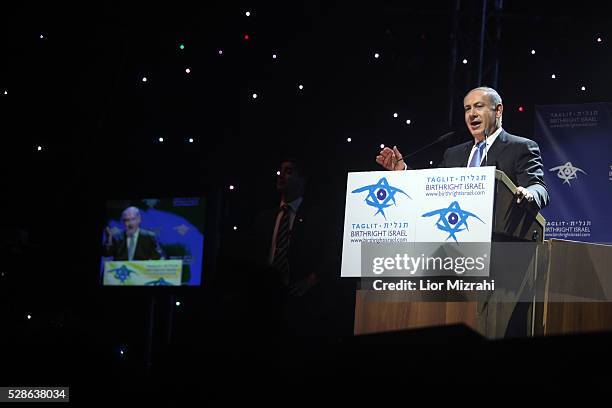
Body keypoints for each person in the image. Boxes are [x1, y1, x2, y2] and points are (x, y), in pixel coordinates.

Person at [376, 86, 550, 210]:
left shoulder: (521, 147)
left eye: (479, 106)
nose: (472, 114)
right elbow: (429, 189)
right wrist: (403, 171)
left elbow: (539, 188)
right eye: (467, 108)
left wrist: (528, 194)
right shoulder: (453, 154)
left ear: (498, 111)